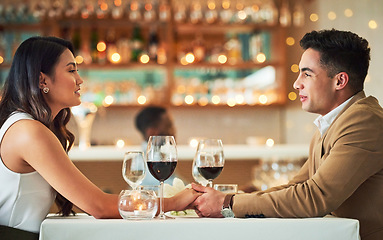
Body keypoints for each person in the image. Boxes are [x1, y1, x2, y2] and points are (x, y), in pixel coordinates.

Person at [190, 29, 383, 240]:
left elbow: (314, 197)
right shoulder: (334, 121)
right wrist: (229, 200)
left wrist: (228, 203)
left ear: (339, 81)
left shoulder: (363, 121)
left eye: (307, 74)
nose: (296, 83)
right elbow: (297, 187)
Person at [0, 36, 199, 238]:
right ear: (43, 80)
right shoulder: (29, 132)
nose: (80, 79)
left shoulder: (24, 126)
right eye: (71, 70)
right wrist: (173, 202)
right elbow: (99, 206)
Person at [135, 106, 177, 186]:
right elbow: (166, 187)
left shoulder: (163, 155)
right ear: (152, 132)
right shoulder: (144, 162)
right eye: (169, 126)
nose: (174, 131)